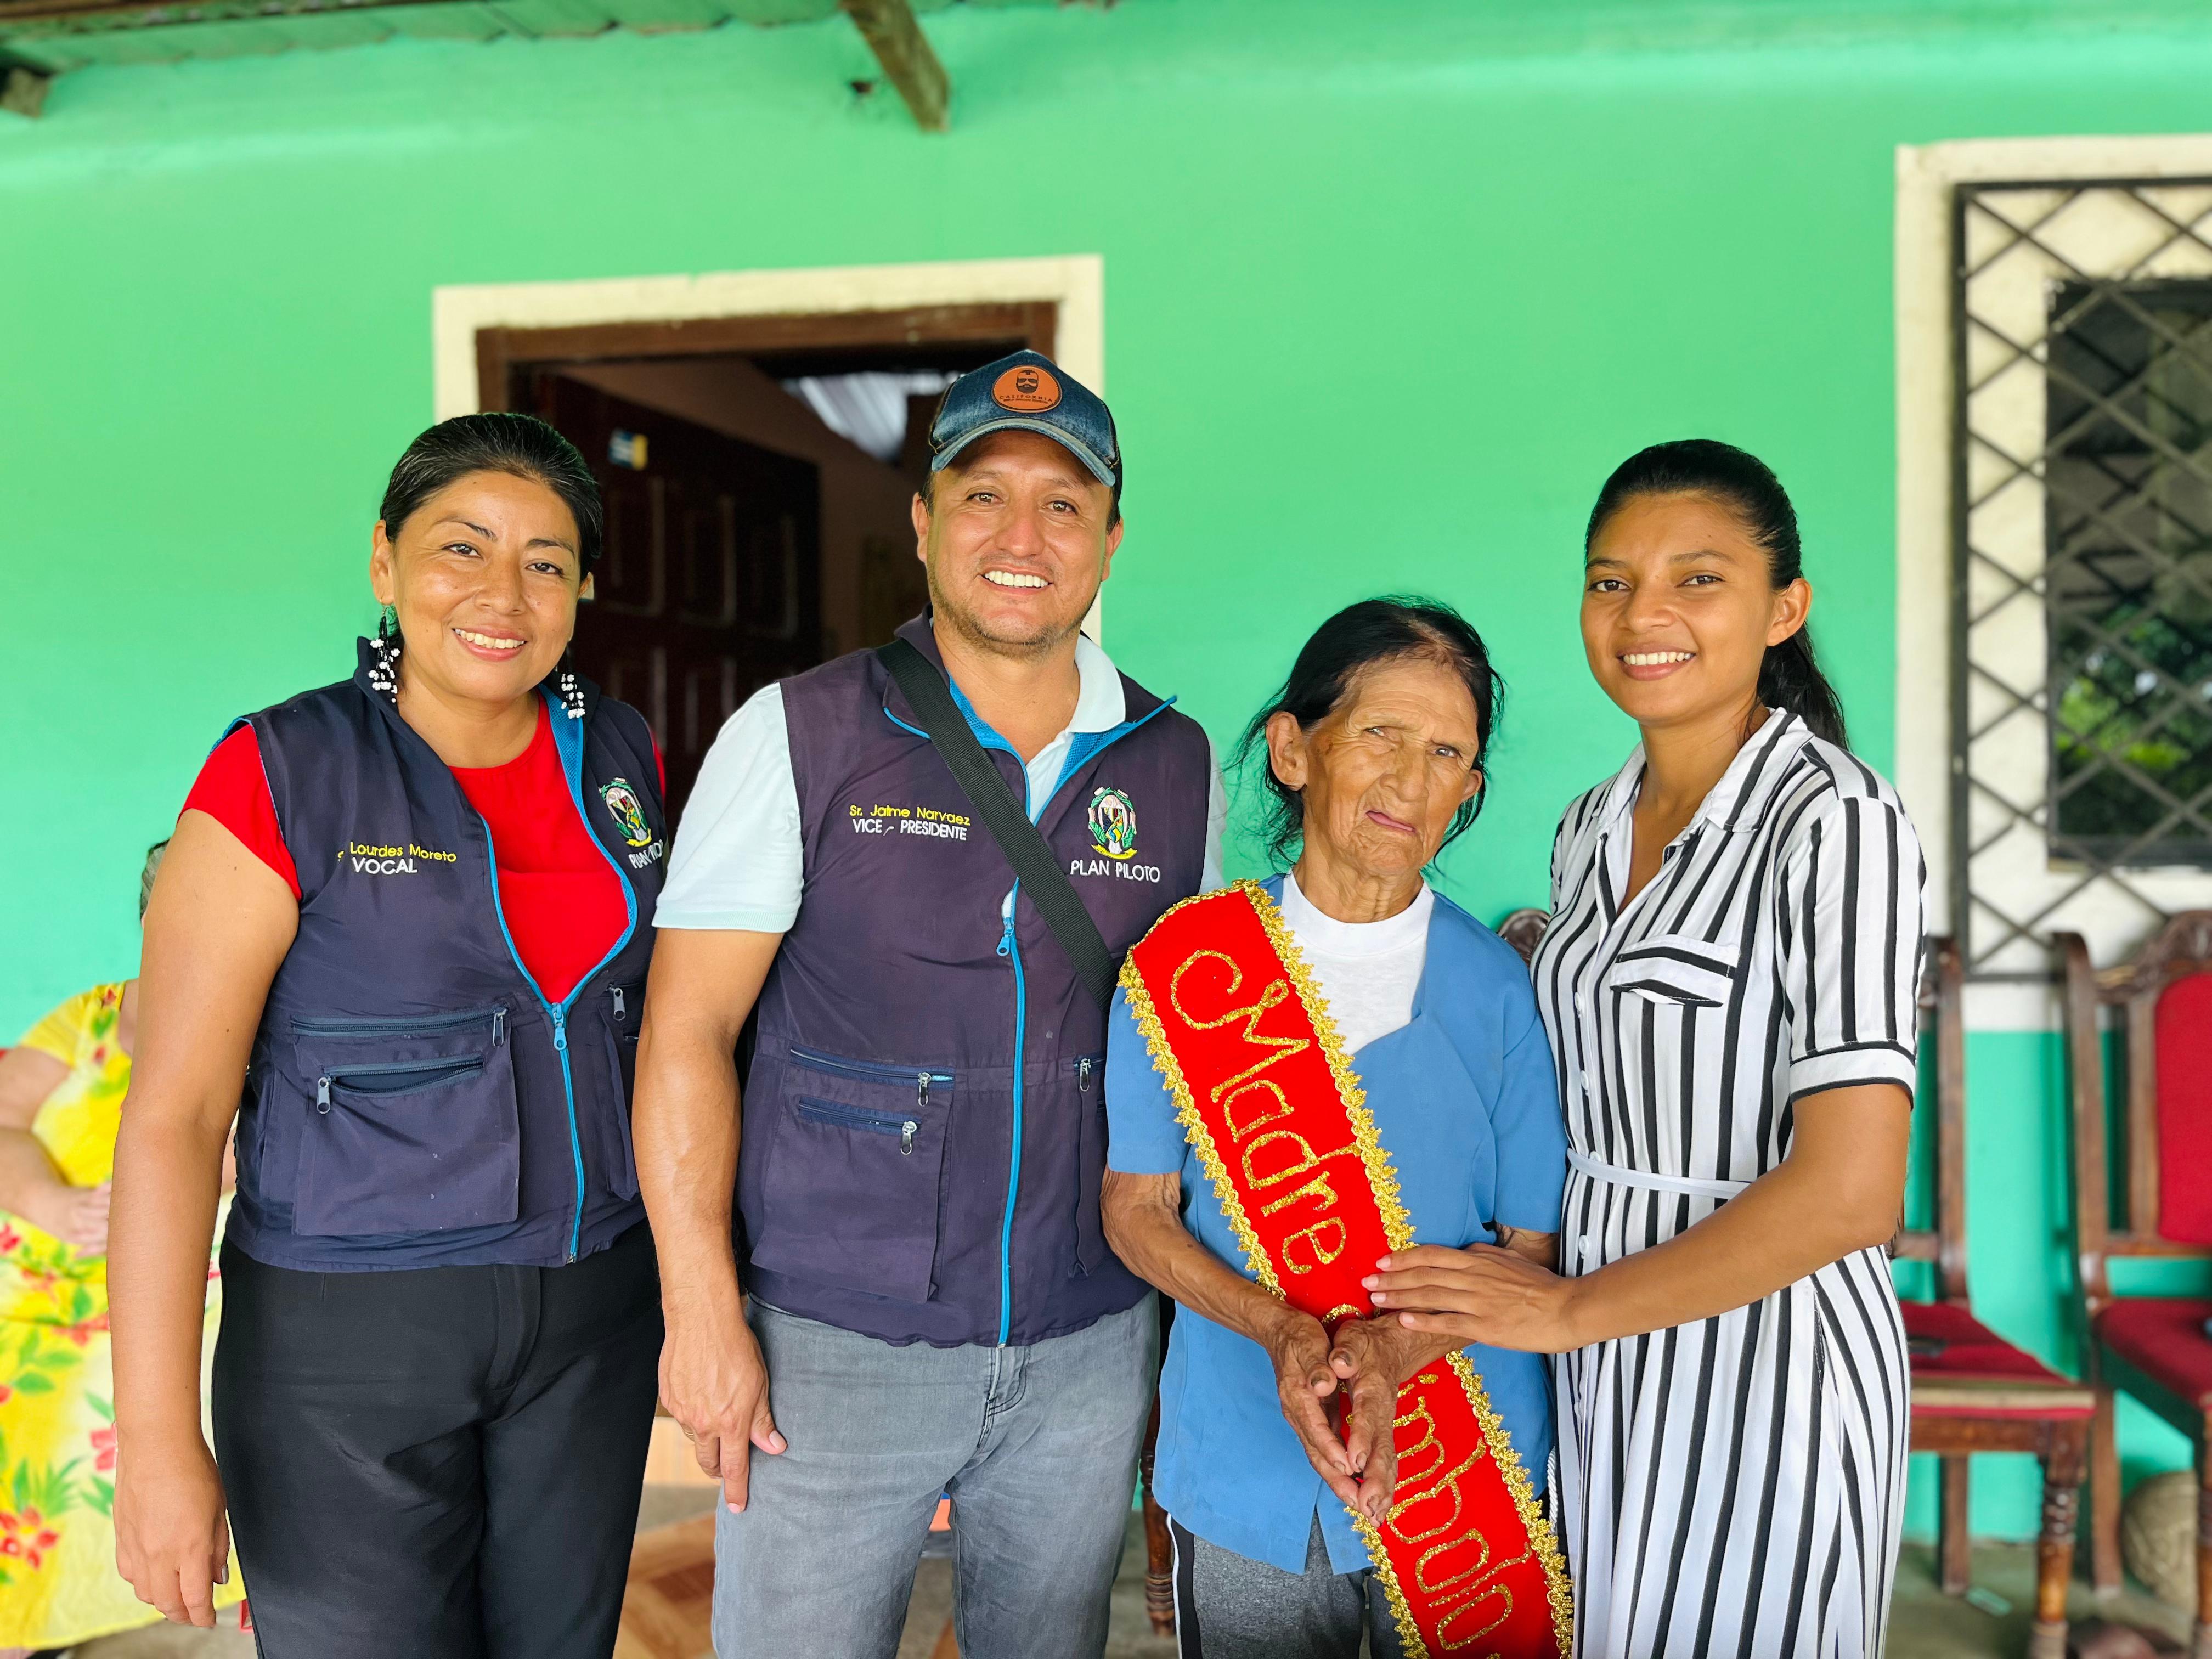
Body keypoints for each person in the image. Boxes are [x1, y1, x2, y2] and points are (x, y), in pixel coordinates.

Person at [636, 349, 1224, 1659]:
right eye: (982, 496)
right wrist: (701, 1309)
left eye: (1064, 504)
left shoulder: (1175, 765)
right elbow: (687, 1031)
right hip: (833, 1342)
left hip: (1086, 1337)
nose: (1023, 537)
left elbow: (1188, 1049)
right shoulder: (800, 733)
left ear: (1112, 538)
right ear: (922, 522)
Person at [106, 414, 669, 1659]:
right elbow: (175, 1120)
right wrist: (155, 1441)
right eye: (461, 547)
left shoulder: (620, 756)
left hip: (594, 1314)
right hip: (347, 1340)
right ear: (384, 561)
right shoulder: (281, 770)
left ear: (582, 589)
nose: (502, 594)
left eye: (545, 561)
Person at [1364, 441, 1925, 1656]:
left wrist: (1571, 1310)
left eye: (1698, 579)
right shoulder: (1590, 827)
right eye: (1610, 581)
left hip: (1765, 1364)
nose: (1642, 615)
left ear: (1785, 608)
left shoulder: (1836, 820)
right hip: (1598, 1362)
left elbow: (1854, 1190)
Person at [1102, 598, 1572, 1659]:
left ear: (1470, 791)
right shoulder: (1186, 969)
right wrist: (1282, 1331)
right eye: (1380, 734)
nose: (1411, 780)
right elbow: (1135, 1213)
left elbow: (1531, 1249)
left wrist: (1392, 1350)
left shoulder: (1500, 989)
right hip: (1245, 1457)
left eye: (1447, 754)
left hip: (1466, 1472)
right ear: (1292, 751)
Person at [0, 845, 246, 1655]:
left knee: (124, 1390)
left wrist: (158, 1199)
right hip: (44, 1283)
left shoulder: (267, 1025)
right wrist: (53, 1202)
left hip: (186, 1281)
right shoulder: (90, 1017)